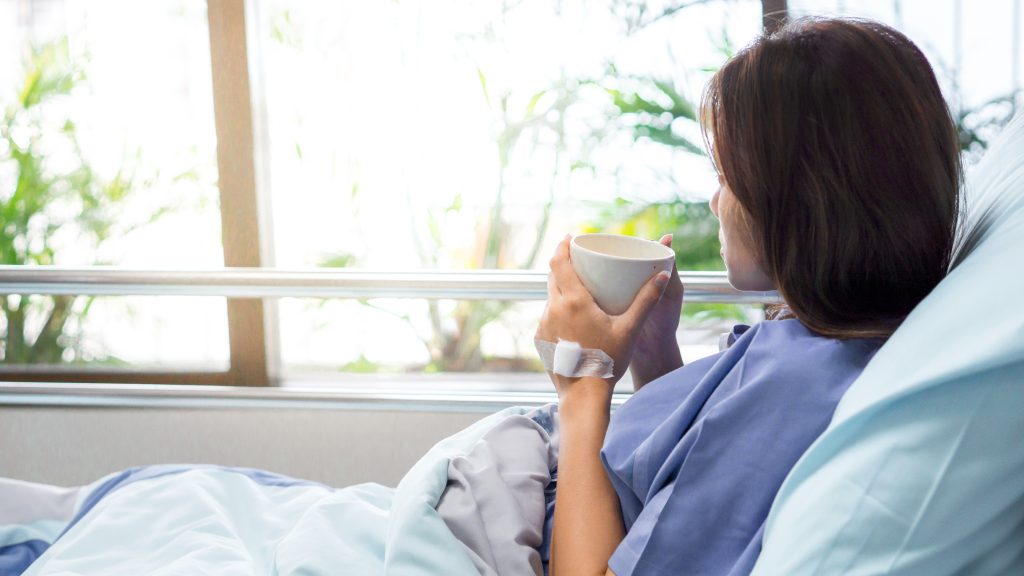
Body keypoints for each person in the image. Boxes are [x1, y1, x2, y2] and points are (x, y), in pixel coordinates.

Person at [535, 16, 962, 576]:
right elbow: (688, 483)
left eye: (726, 175)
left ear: (798, 199)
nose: (715, 202)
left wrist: (583, 380)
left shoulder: (793, 387)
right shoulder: (830, 343)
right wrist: (653, 351)